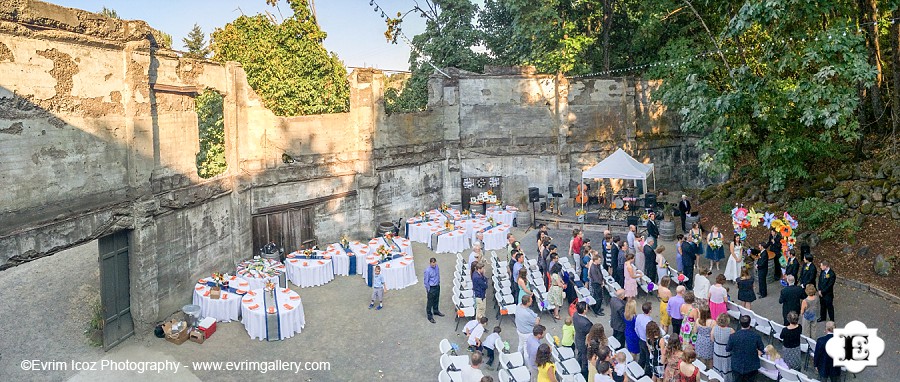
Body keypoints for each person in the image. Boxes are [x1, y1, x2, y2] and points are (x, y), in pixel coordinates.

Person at [727, 315, 765, 382]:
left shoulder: (733, 336)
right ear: (749, 323)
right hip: (751, 366)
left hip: (737, 366)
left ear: (740, 323)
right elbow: (761, 348)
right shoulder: (755, 336)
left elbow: (728, 349)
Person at [711, 313, 734, 382]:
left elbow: (712, 339)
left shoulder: (714, 328)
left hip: (717, 351)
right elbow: (733, 342)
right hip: (726, 353)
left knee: (717, 367)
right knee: (726, 369)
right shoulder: (731, 330)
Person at [573, 302, 593, 379]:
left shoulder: (575, 315)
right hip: (583, 341)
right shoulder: (586, 323)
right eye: (587, 307)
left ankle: (578, 364)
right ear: (584, 310)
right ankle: (584, 374)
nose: (587, 308)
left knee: (580, 354)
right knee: (584, 359)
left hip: (578, 338)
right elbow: (591, 331)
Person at [694, 305, 714, 369]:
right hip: (708, 342)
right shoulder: (712, 322)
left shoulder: (697, 321)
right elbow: (712, 335)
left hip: (700, 340)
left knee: (701, 358)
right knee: (710, 359)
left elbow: (695, 331)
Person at [424, 258, 443, 323]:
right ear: (430, 263)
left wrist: (439, 282)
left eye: (435, 263)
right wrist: (428, 290)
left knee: (436, 299)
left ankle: (436, 311)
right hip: (431, 287)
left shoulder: (437, 267)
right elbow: (426, 281)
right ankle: (429, 316)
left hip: (437, 286)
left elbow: (438, 275)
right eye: (432, 263)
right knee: (430, 302)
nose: (434, 264)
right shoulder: (427, 271)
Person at [635, 301, 653, 369]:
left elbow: (636, 328)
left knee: (642, 356)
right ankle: (647, 372)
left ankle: (639, 368)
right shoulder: (649, 321)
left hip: (640, 339)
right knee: (648, 357)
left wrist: (639, 335)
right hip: (646, 341)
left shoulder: (639, 316)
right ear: (650, 310)